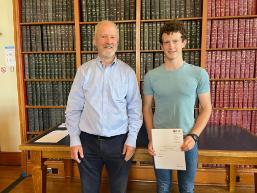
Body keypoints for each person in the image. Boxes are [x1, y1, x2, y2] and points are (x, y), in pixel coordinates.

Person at [65, 20, 143, 193]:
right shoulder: (84, 71)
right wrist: (74, 139)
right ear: (95, 41)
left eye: (113, 37)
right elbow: (73, 108)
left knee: (118, 190)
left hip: (119, 144)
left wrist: (132, 139)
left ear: (117, 41)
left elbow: (135, 110)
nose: (109, 41)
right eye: (104, 36)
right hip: (87, 144)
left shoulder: (127, 73)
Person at [143, 20, 212, 193]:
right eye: (166, 42)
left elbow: (206, 108)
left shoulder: (199, 74)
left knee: (187, 187)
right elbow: (146, 108)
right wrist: (151, 138)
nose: (171, 46)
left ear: (183, 42)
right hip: (161, 139)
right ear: (161, 45)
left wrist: (194, 136)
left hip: (187, 139)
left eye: (175, 41)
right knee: (163, 186)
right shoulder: (151, 76)